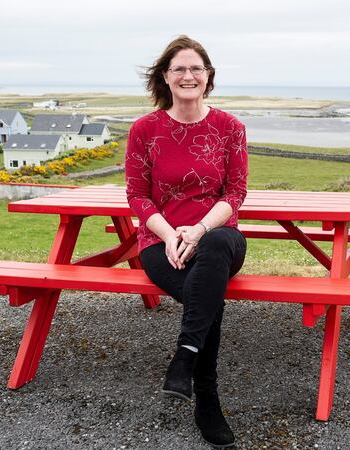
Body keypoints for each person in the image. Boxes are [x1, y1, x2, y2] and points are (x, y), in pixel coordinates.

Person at [125, 35, 248, 448]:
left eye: (196, 68)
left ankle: (184, 359)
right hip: (161, 243)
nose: (188, 75)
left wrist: (197, 231)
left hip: (218, 237)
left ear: (209, 76)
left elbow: (235, 194)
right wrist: (170, 235)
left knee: (212, 251)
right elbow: (137, 195)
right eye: (179, 68)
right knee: (208, 298)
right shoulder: (145, 130)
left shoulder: (230, 128)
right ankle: (206, 400)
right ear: (165, 76)